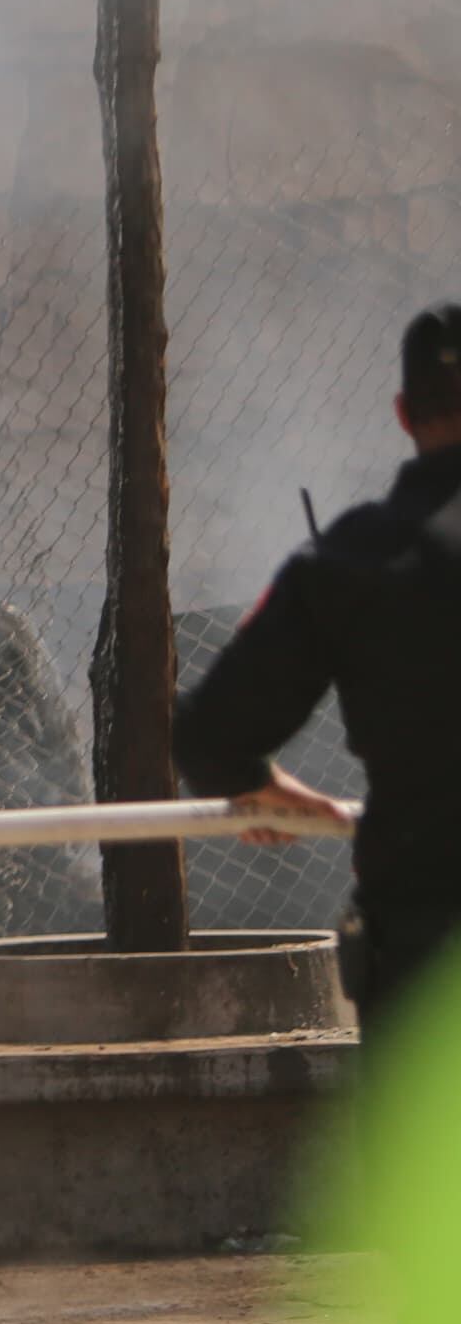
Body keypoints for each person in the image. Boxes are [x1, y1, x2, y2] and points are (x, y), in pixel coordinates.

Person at [174, 301, 461, 1021]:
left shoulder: (353, 558)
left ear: (403, 411)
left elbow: (209, 738)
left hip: (426, 941)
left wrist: (267, 789)